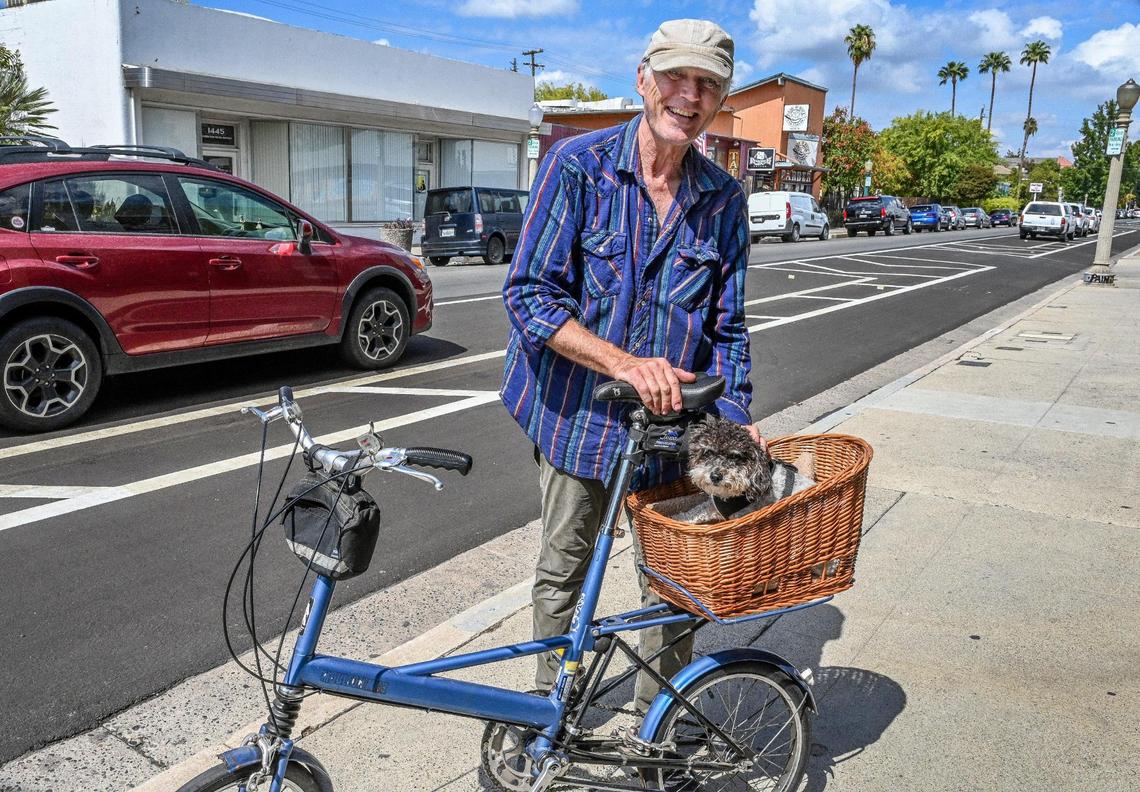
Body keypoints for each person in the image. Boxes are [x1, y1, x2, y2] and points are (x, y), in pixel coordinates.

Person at [500, 18, 760, 713]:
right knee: (562, 571)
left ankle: (659, 728)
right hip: (578, 418)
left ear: (719, 99)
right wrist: (623, 361)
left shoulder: (723, 199)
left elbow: (729, 331)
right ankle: (545, 715)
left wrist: (734, 424)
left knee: (673, 588)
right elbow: (528, 295)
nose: (689, 93)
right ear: (644, 79)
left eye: (707, 84)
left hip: (675, 430)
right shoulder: (577, 167)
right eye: (676, 76)